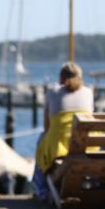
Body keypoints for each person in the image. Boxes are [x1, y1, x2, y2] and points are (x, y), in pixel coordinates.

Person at [32, 62, 94, 201]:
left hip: (59, 148)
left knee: (42, 140)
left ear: (61, 77)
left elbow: (47, 127)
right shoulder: (88, 92)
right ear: (80, 77)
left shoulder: (53, 92)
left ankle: (41, 189)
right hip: (88, 148)